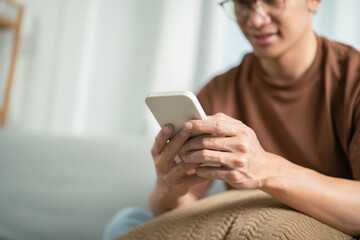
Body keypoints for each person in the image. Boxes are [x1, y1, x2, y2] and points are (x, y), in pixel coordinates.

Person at [103, 0, 360, 239]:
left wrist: (265, 169)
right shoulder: (221, 90)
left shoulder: (352, 79)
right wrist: (169, 188)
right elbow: (176, 209)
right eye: (243, 3)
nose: (255, 20)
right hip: (249, 227)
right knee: (127, 221)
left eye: (272, 0)